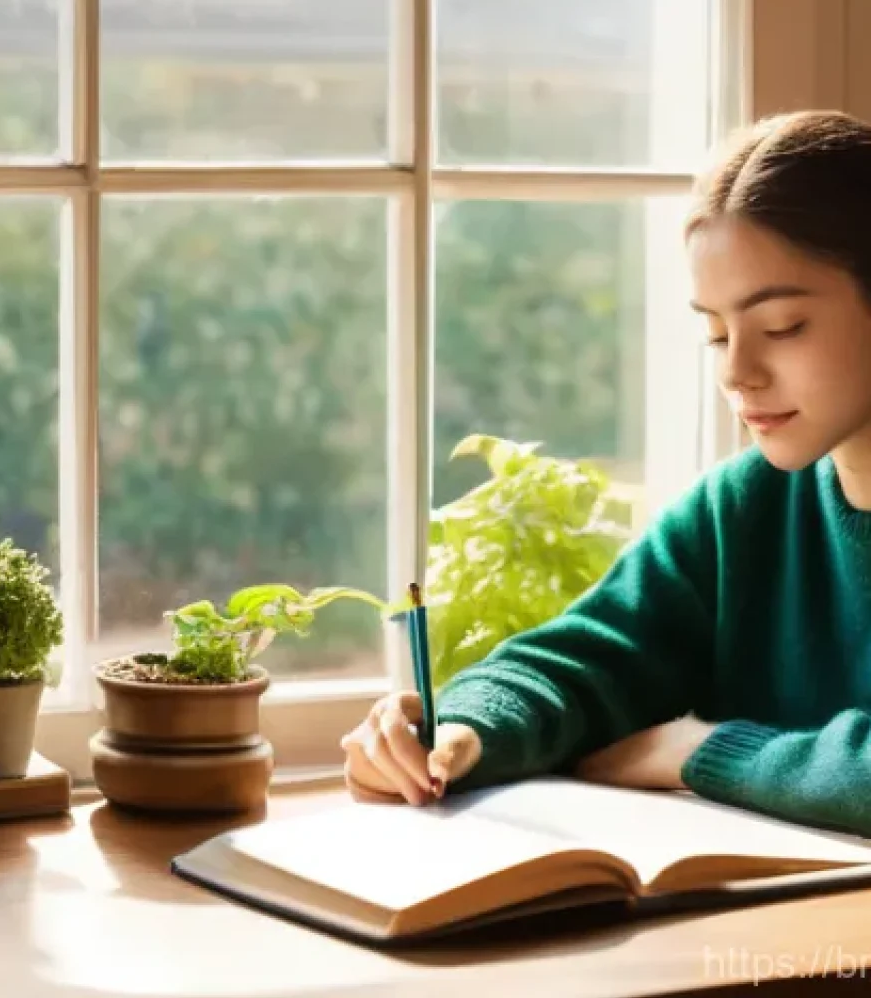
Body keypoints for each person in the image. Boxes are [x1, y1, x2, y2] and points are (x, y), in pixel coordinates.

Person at [341, 109, 871, 838]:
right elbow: (583, 661)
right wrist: (460, 731)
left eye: (781, 327)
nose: (736, 371)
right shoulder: (741, 510)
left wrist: (699, 751)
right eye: (716, 333)